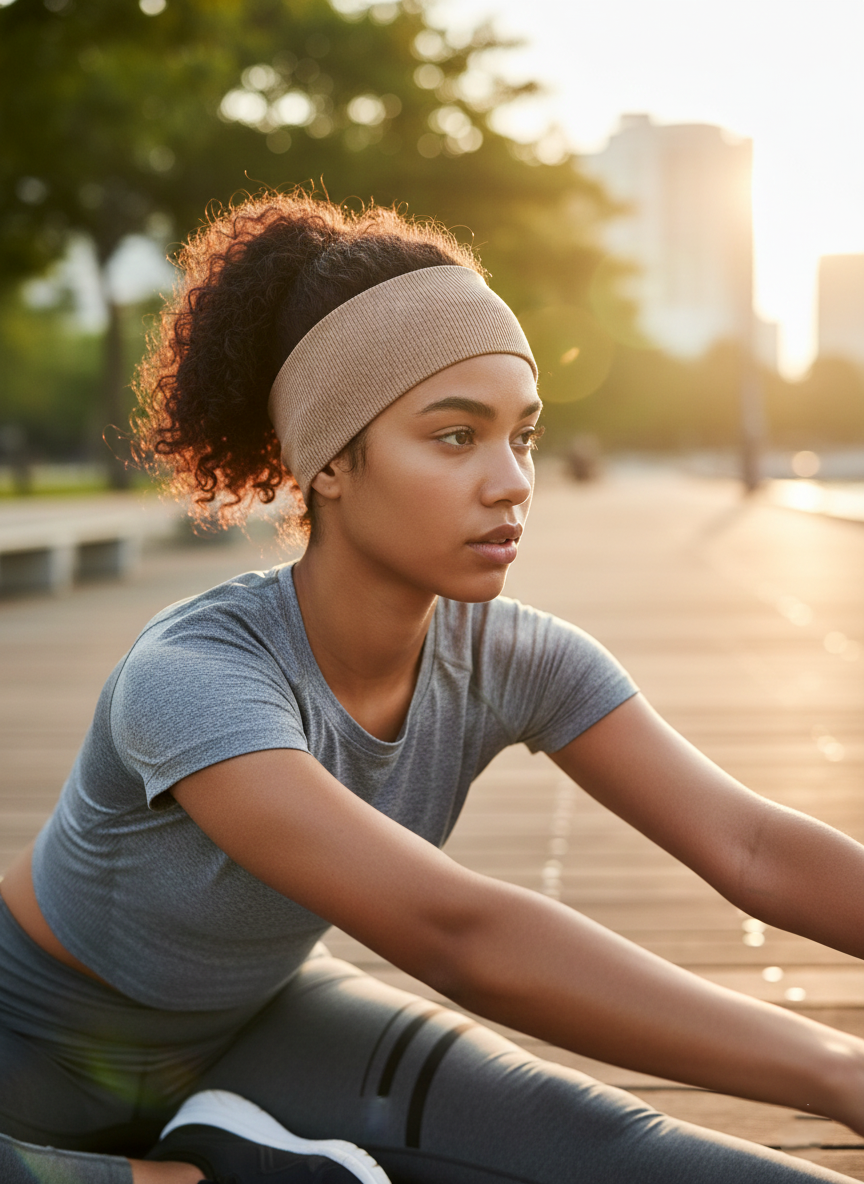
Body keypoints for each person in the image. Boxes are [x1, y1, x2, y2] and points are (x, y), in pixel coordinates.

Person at [0, 193, 862, 1184]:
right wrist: (841, 1070)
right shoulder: (195, 678)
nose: (511, 481)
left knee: (621, 1149)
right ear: (329, 461)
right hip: (29, 1054)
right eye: (456, 436)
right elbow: (460, 934)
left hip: (258, 1022)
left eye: (523, 435)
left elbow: (750, 845)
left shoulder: (517, 656)